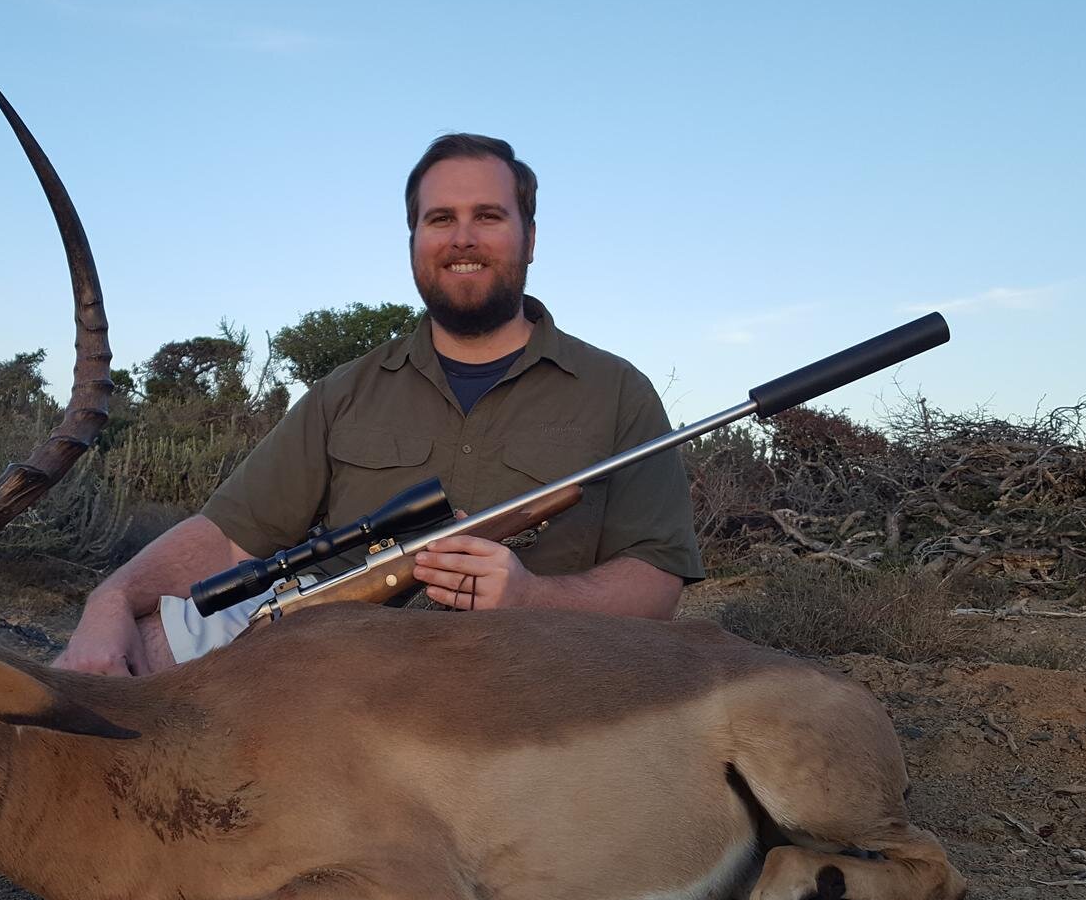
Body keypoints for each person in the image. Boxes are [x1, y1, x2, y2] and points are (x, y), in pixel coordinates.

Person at [56, 134, 704, 678]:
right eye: (440, 219)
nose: (463, 238)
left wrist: (532, 596)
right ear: (415, 240)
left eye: (490, 216)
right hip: (339, 703)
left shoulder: (617, 392)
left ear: (530, 238)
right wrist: (109, 598)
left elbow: (657, 581)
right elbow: (229, 537)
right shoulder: (345, 392)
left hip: (532, 710)